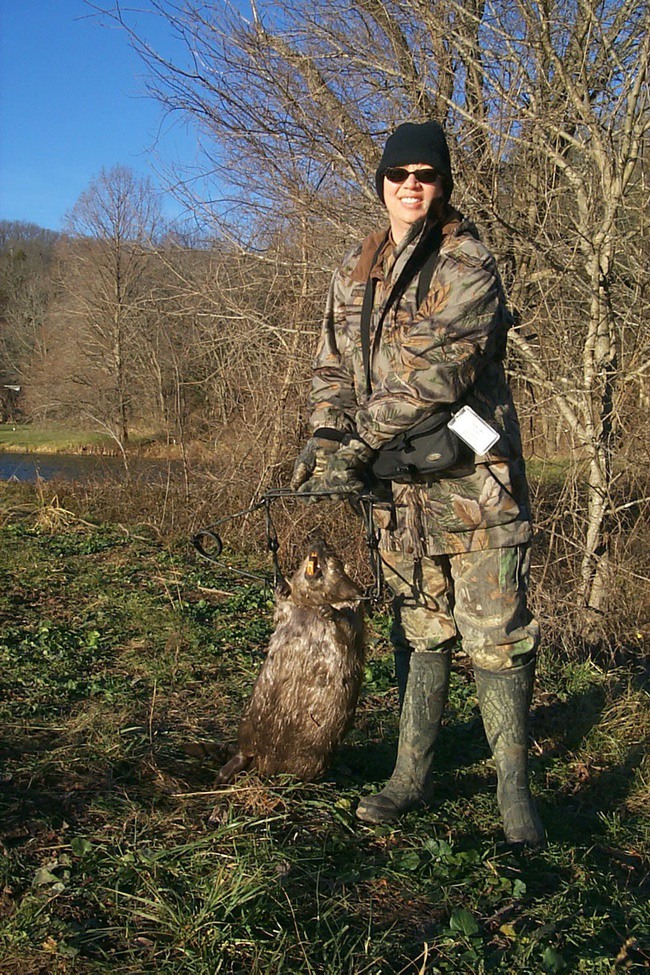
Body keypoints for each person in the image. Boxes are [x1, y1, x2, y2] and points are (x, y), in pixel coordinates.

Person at [290, 120, 544, 847]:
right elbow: (333, 369)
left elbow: (432, 374)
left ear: (442, 186)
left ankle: (514, 793)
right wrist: (325, 437)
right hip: (394, 494)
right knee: (419, 626)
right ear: (381, 183)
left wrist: (357, 442)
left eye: (425, 175)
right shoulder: (354, 268)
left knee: (496, 635)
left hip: (474, 484)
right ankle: (411, 774)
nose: (411, 185)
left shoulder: (469, 263)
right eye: (398, 174)